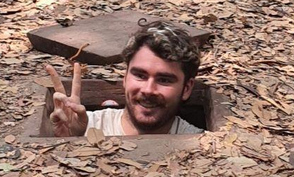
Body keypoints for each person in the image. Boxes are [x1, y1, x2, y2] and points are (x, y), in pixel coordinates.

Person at [44, 21, 204, 136]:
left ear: (187, 88)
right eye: (140, 75)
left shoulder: (201, 143)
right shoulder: (86, 126)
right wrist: (70, 139)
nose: (148, 90)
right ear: (125, 78)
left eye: (164, 80)